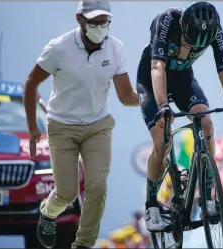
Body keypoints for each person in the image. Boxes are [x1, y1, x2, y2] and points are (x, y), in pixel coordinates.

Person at [23, 1, 139, 248]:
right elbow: (31, 83)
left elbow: (126, 95)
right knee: (67, 194)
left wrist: (150, 100)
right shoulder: (58, 47)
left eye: (104, 21)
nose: (100, 26)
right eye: (94, 21)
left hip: (98, 125)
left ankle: (84, 243)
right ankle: (48, 213)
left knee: (97, 187)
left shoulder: (116, 48)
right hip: (62, 126)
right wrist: (33, 128)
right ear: (79, 19)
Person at [136, 1, 223, 231]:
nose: (190, 48)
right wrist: (162, 105)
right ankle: (151, 205)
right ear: (183, 25)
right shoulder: (167, 20)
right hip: (152, 79)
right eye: (187, 41)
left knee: (206, 123)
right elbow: (157, 66)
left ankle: (207, 195)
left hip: (183, 80)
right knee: (162, 141)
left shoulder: (215, 30)